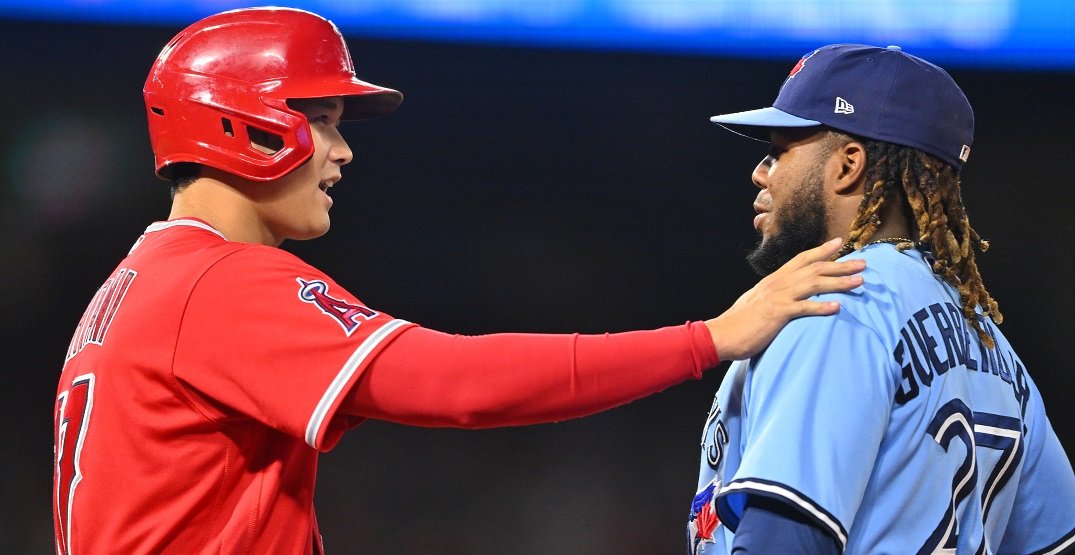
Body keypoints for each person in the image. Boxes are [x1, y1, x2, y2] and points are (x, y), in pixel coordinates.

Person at [51, 8, 867, 554]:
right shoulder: (217, 282)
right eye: (323, 121)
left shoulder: (139, 282)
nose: (342, 153)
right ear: (245, 123)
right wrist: (709, 338)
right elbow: (457, 382)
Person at [687, 43, 1075, 554]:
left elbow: (784, 539)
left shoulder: (832, 306)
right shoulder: (993, 345)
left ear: (848, 165)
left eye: (780, 151)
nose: (761, 173)